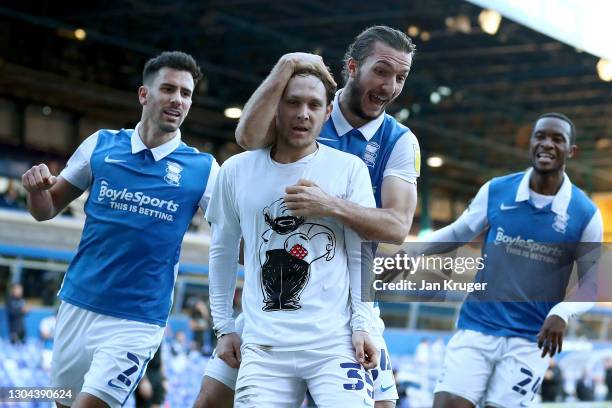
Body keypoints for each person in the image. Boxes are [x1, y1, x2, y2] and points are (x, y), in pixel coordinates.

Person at [195, 25, 418, 408]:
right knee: (210, 398)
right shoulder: (305, 105)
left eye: (400, 77)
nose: (391, 85)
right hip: (268, 303)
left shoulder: (398, 141)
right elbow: (247, 140)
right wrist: (286, 66)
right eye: (382, 71)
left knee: (382, 403)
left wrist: (330, 205)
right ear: (352, 67)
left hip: (346, 300)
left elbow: (397, 227)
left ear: (325, 110)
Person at [21, 51, 219, 408]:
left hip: (138, 318)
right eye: (169, 89)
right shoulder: (100, 145)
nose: (178, 100)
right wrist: (36, 192)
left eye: (186, 93)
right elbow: (46, 209)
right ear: (145, 95)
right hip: (77, 303)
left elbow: (231, 237)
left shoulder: (203, 169)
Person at [205, 64, 378, 407]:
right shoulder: (236, 171)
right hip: (264, 349)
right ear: (276, 107)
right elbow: (222, 252)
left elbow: (362, 253)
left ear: (327, 112)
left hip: (334, 344)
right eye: (293, 103)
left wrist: (363, 323)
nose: (303, 114)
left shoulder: (348, 169)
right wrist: (224, 328)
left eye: (314, 105)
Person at [405, 113, 602, 408]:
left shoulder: (585, 212)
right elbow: (459, 231)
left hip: (531, 340)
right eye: (540, 136)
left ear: (571, 151)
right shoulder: (497, 190)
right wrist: (410, 254)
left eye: (557, 139)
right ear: (531, 143)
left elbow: (594, 282)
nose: (547, 144)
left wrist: (563, 312)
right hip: (477, 326)